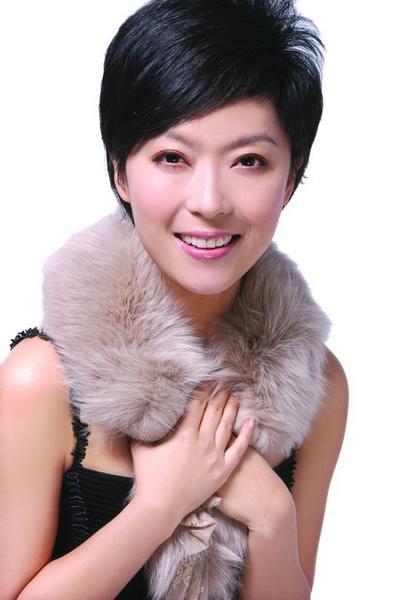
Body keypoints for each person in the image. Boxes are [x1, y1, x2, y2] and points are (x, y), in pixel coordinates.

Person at [0, 1, 348, 599]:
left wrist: (274, 519)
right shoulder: (41, 381)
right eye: (172, 157)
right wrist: (158, 508)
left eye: (249, 161)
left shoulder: (317, 384)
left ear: (290, 179)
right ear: (121, 172)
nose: (209, 201)